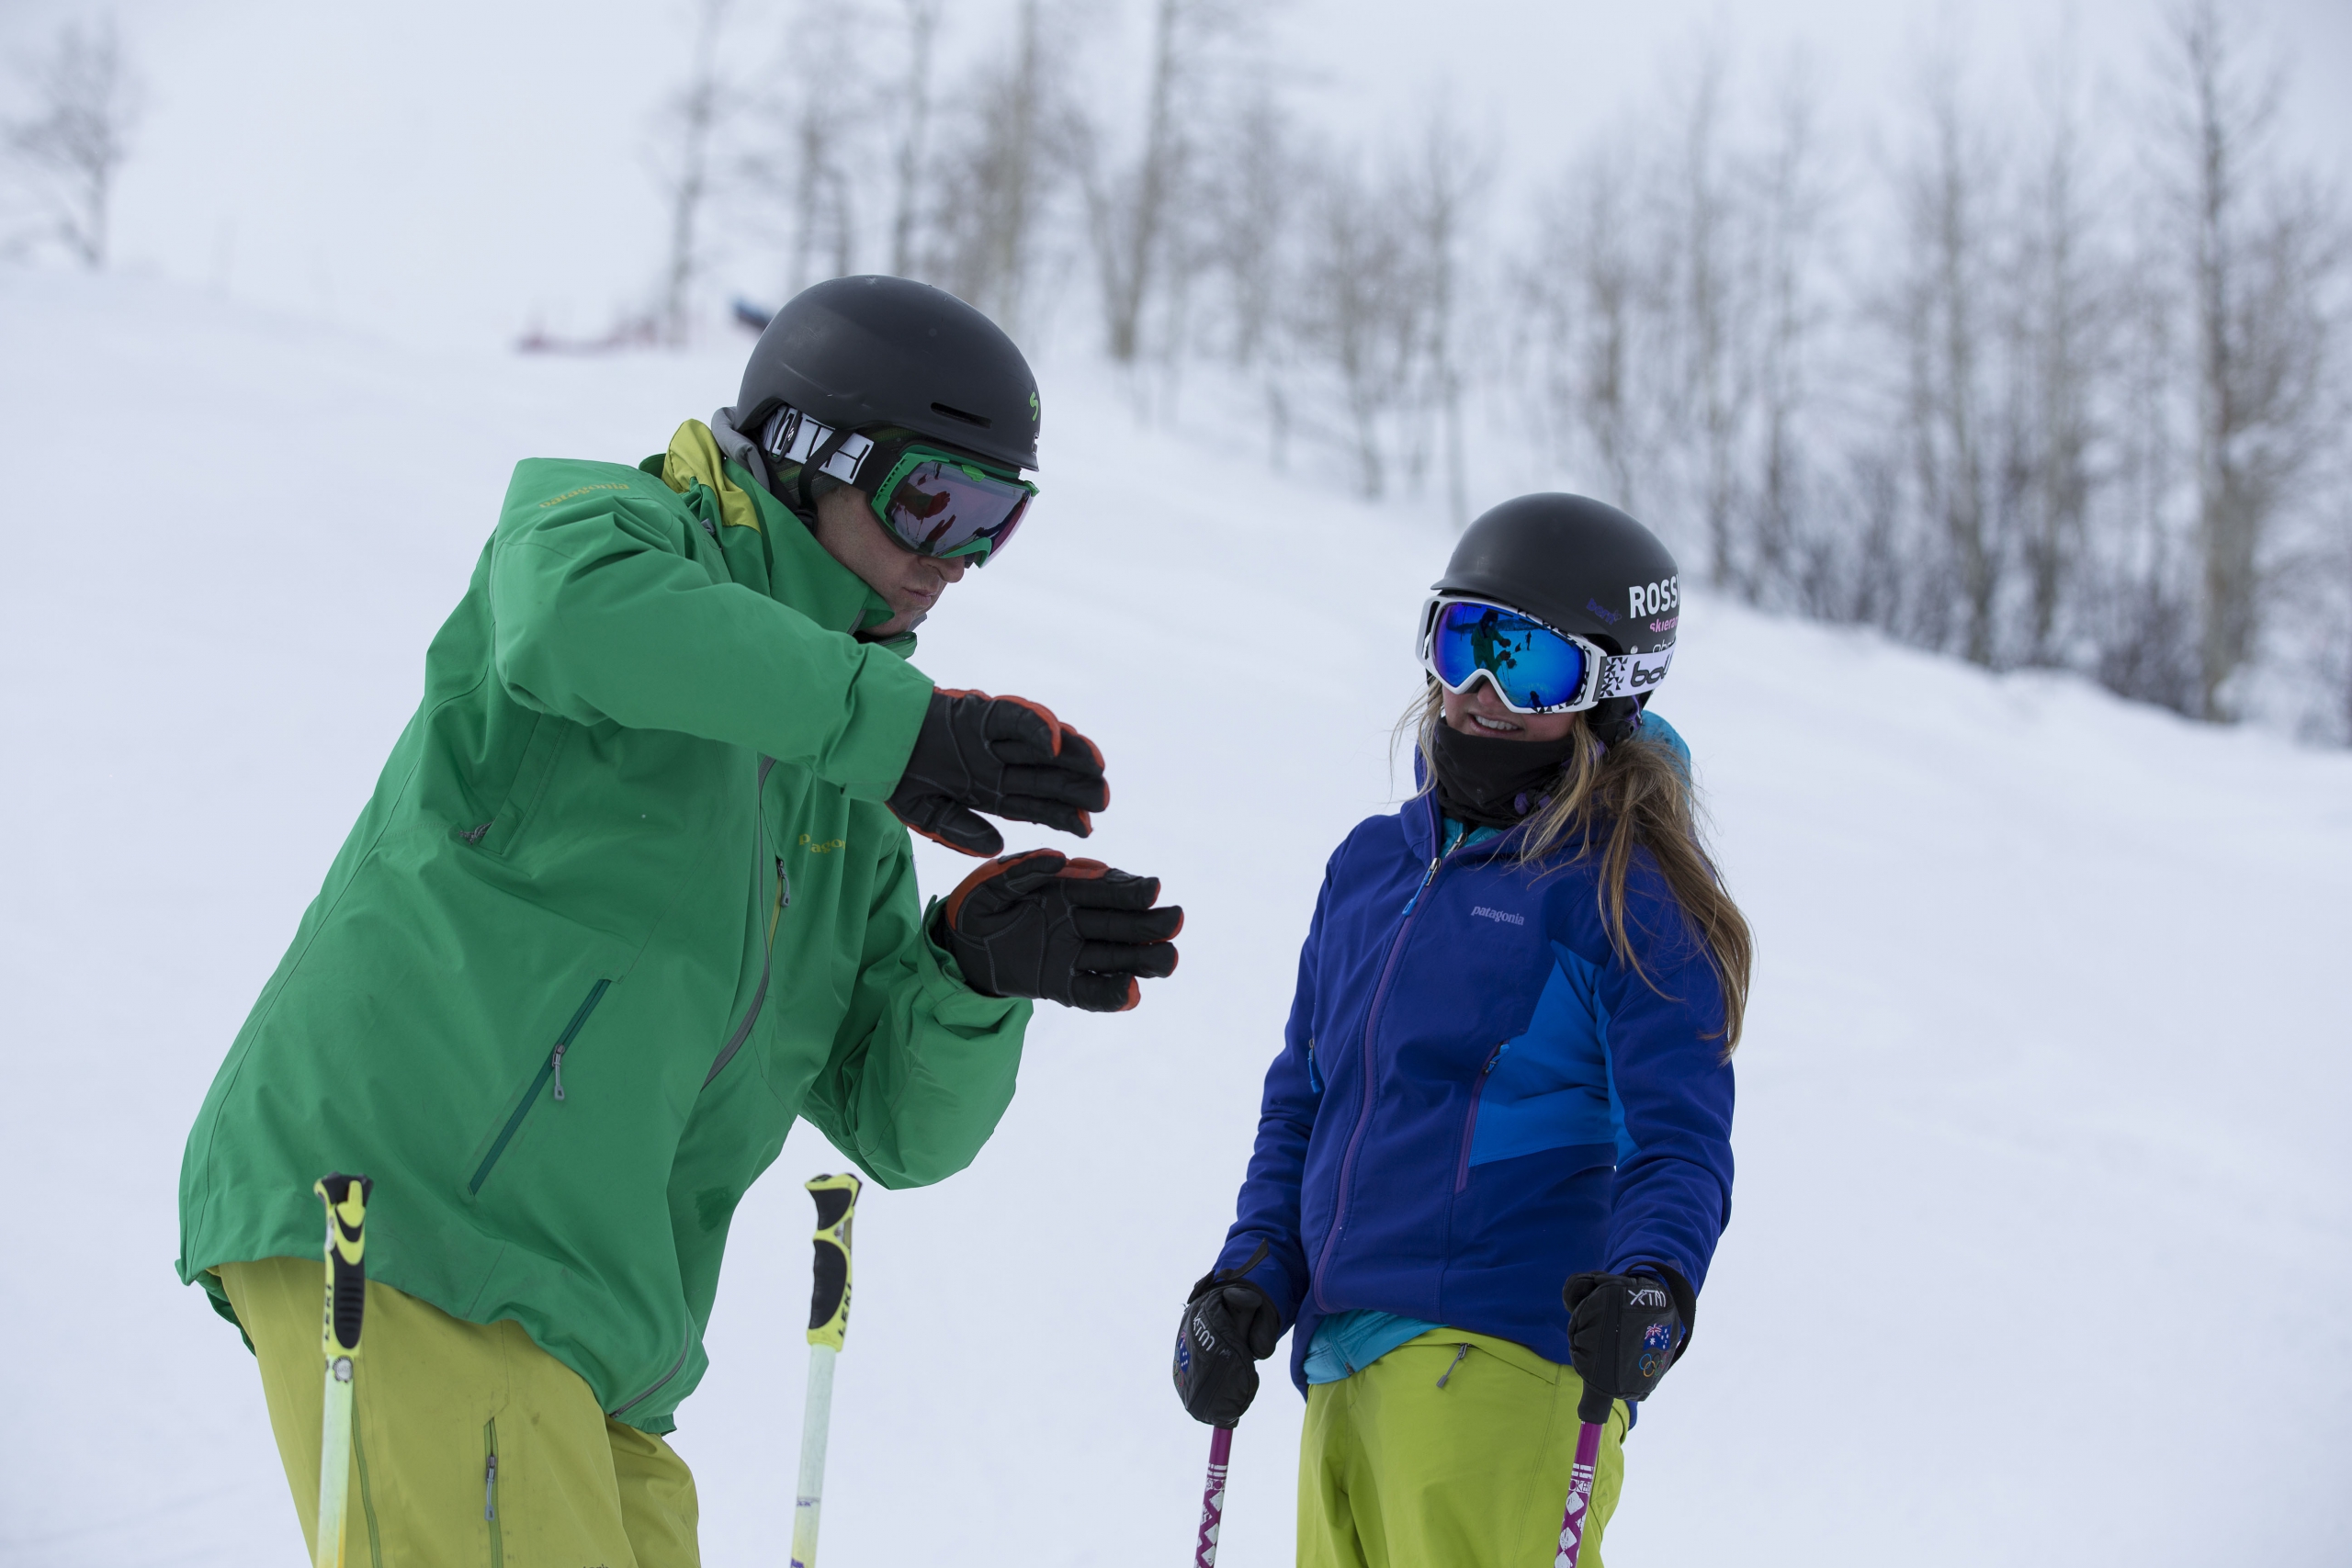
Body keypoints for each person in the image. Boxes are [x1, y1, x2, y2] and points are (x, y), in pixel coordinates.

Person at [176, 276, 1182, 1567]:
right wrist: (892, 725)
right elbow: (566, 617)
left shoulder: (846, 800)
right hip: (409, 1222)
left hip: (598, 1336)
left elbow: (901, 1124)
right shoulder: (613, 528)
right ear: (820, 453)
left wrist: (970, 976)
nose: (957, 554)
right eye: (935, 497)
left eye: (1000, 519)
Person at [1170, 494, 1750, 1567]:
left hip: (1501, 1371)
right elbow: (1305, 1100)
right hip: (1341, 1369)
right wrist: (1251, 1274)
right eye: (1461, 643)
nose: (1479, 692)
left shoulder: (1622, 893)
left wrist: (1655, 1290)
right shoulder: (1368, 866)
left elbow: (1678, 1142)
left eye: (1527, 666)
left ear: (1607, 690)